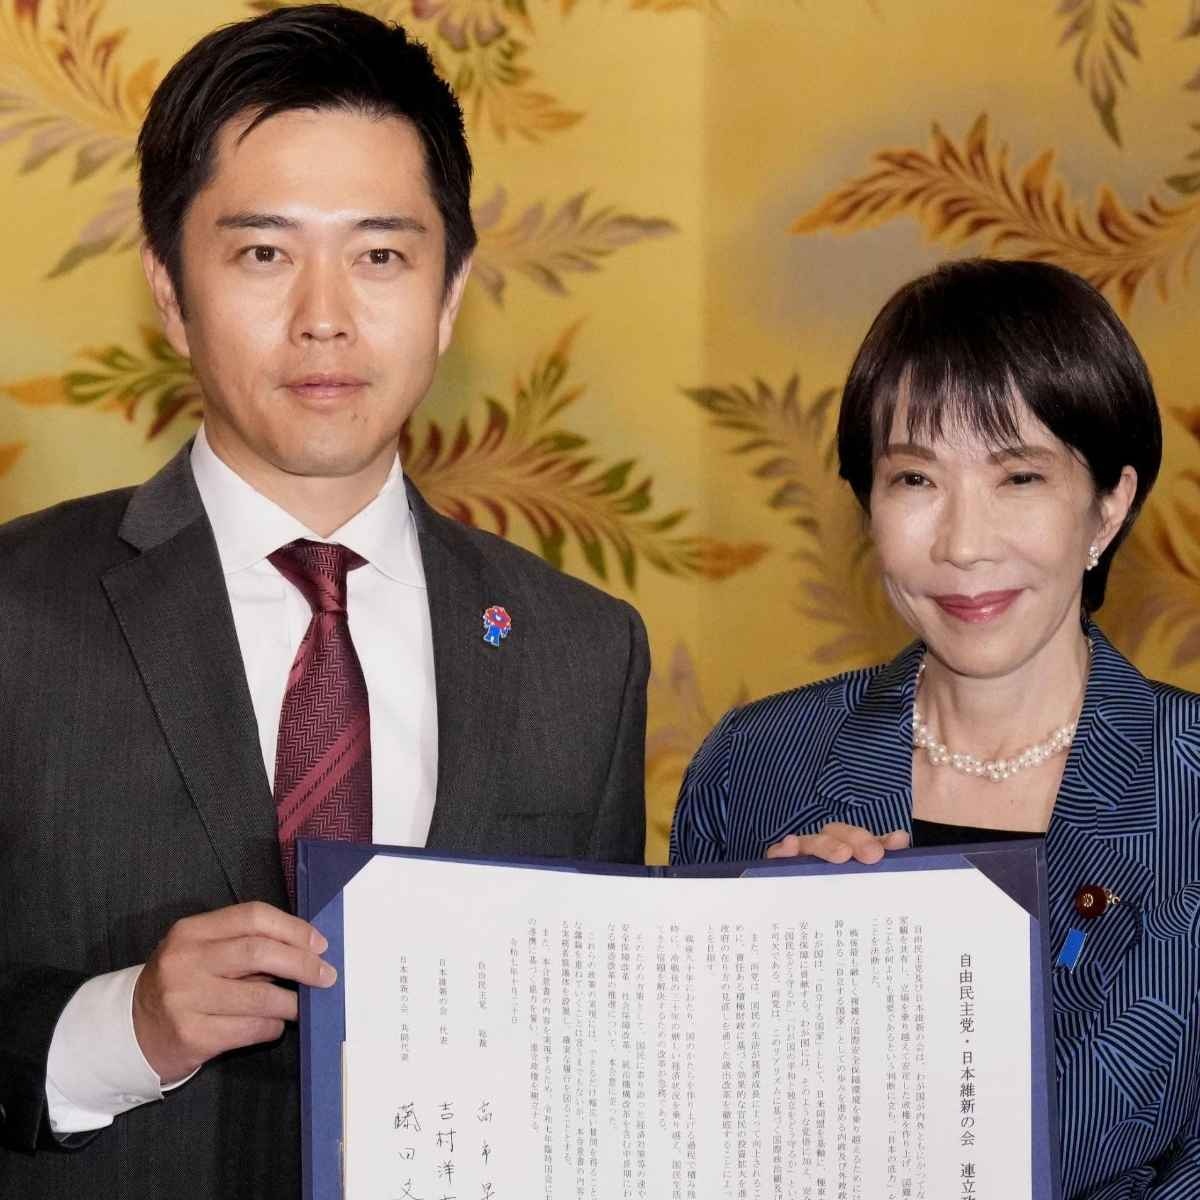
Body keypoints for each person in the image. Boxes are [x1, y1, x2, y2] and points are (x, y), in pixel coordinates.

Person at [0, 7, 648, 1196]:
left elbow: (593, 1053)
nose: (325, 316)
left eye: (381, 256)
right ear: (168, 288)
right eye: (263, 254)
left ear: (451, 293)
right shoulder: (16, 614)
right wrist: (125, 1028)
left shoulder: (581, 651)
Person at [671, 259, 1200, 1198]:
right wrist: (763, 968)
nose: (962, 544)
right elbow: (679, 1127)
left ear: (1108, 505)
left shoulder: (1187, 787)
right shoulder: (755, 769)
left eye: (1019, 476)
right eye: (915, 478)